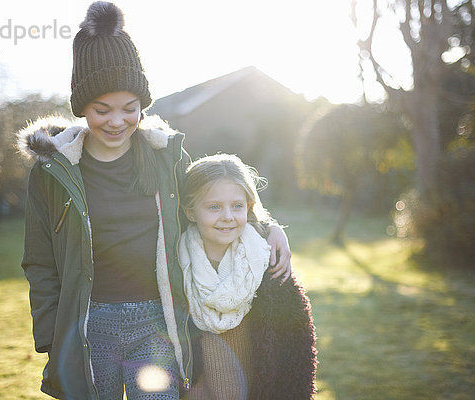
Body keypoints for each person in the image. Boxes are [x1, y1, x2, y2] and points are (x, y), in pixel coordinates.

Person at [16, 2, 292, 400]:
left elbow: (210, 198)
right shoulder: (52, 174)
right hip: (88, 327)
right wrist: (52, 338)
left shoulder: (165, 155)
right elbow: (39, 262)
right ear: (81, 107)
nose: (116, 121)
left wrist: (265, 227)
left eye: (130, 109)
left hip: (157, 323)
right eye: (101, 109)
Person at [179, 154, 317, 400]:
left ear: (249, 207)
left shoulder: (268, 264)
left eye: (237, 206)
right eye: (214, 207)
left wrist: (273, 228)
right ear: (190, 212)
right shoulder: (175, 263)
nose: (228, 216)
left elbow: (297, 349)